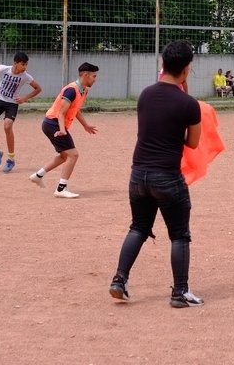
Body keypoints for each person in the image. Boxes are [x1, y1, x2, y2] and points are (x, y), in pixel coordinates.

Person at [109, 40, 204, 307]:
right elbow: (193, 143)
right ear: (187, 69)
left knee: (138, 227)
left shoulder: (145, 94)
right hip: (167, 177)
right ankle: (180, 292)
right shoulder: (189, 104)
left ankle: (119, 279)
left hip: (138, 174)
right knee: (179, 234)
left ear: (163, 66)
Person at [29, 62, 99, 198]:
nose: (95, 79)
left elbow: (75, 109)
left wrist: (85, 125)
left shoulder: (83, 90)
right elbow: (61, 112)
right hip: (53, 123)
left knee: (64, 156)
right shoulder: (71, 90)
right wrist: (62, 130)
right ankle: (61, 189)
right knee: (73, 155)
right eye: (94, 76)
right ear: (86, 75)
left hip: (54, 124)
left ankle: (38, 175)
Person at [0, 52, 42, 172]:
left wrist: (25, 98)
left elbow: (38, 88)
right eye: (22, 64)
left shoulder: (26, 76)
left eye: (26, 64)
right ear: (15, 63)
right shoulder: (5, 69)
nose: (25, 67)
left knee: (7, 126)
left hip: (12, 104)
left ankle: (11, 159)